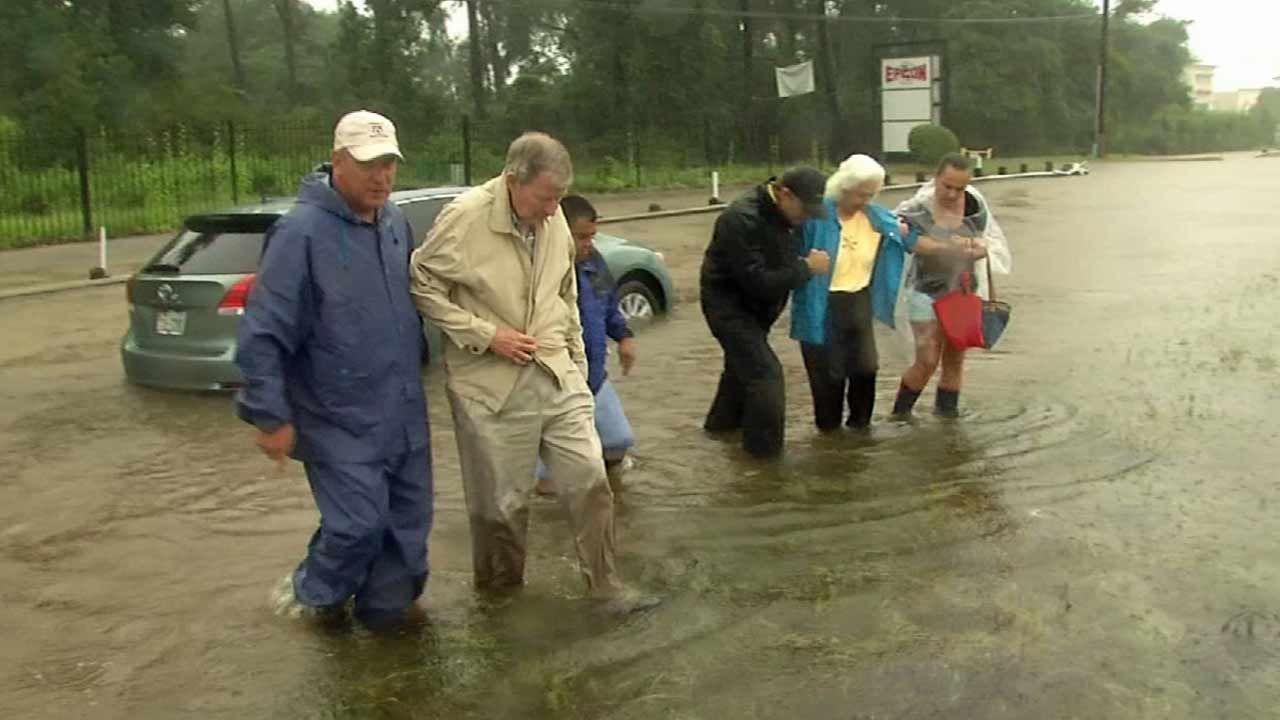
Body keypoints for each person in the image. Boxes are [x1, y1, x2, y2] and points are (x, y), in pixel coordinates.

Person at [409, 132, 658, 615]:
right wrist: (485, 334)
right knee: (501, 509)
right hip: (490, 384)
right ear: (511, 180)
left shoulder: (555, 220)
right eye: (545, 198)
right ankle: (501, 607)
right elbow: (422, 284)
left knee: (591, 480)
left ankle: (607, 589)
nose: (552, 210)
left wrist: (577, 367)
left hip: (557, 374)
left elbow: (564, 291)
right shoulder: (464, 218)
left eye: (560, 199)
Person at [235, 110, 432, 628]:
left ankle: (383, 622)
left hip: (403, 414)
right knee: (357, 526)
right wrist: (270, 416)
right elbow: (263, 330)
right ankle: (310, 599)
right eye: (368, 164)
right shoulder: (300, 233)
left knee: (408, 532)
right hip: (336, 417)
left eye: (389, 163)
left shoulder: (394, 225)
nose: (381, 176)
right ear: (338, 161)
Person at [700, 167, 832, 458]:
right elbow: (757, 281)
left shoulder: (784, 215)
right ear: (784, 193)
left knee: (739, 372)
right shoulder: (741, 218)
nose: (806, 217)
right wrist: (806, 268)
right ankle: (763, 466)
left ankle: (719, 434)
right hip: (729, 308)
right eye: (804, 209)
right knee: (766, 375)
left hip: (759, 310)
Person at [891, 153, 1012, 419]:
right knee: (927, 359)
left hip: (964, 289)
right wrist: (948, 247)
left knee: (955, 359)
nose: (953, 193)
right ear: (936, 178)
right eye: (947, 186)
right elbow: (907, 241)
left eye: (960, 188)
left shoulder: (974, 205)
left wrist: (974, 248)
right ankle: (900, 417)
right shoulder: (916, 208)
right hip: (925, 289)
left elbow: (989, 243)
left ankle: (947, 419)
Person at [534, 195, 637, 497]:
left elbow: (609, 304)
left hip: (593, 375)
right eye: (581, 237)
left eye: (592, 236)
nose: (588, 243)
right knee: (547, 483)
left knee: (618, 442)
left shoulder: (594, 261)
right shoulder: (538, 268)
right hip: (554, 383)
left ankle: (606, 495)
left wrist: (625, 337)